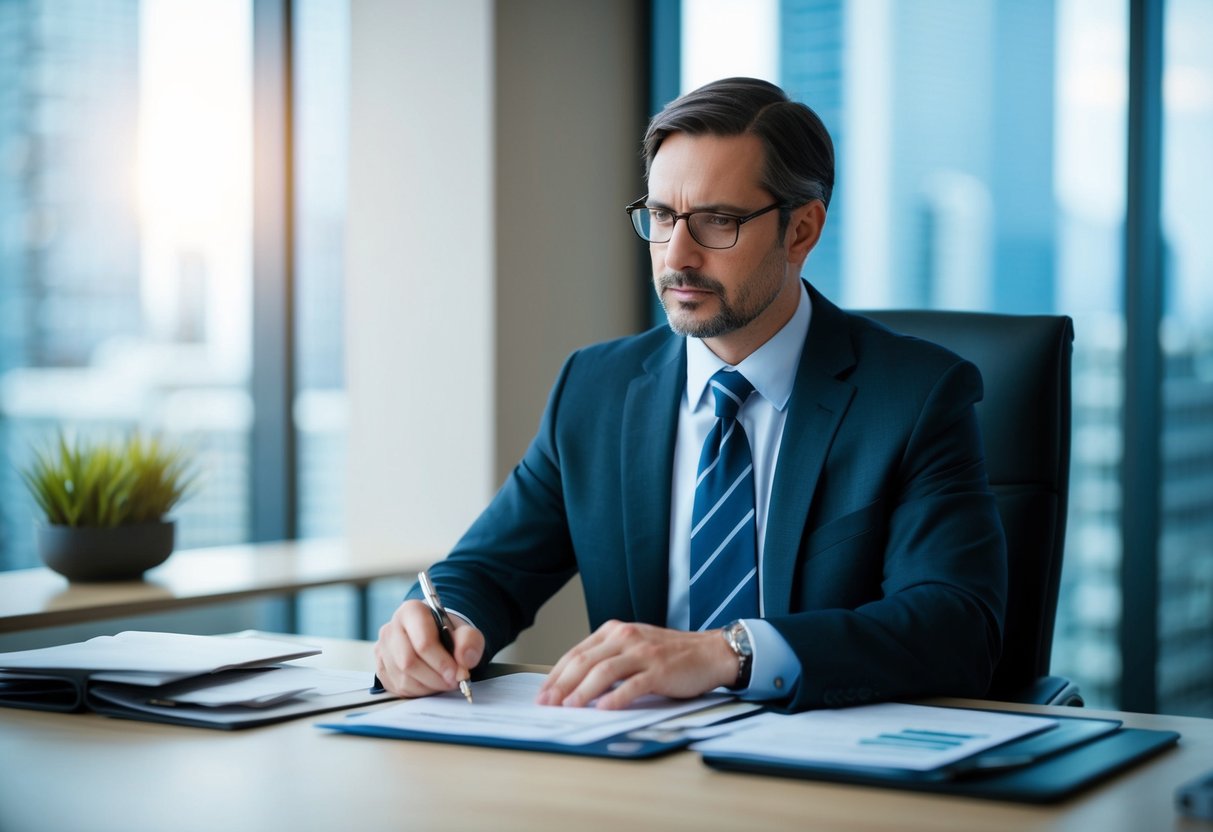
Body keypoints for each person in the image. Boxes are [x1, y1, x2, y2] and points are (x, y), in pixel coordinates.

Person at [374, 77, 1007, 713]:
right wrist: (434, 622)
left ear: (802, 232)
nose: (676, 255)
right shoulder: (596, 389)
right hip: (639, 760)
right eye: (660, 217)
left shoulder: (915, 395)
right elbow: (487, 570)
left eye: (717, 221)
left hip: (826, 773)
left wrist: (729, 653)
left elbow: (956, 627)